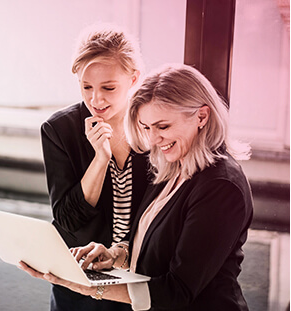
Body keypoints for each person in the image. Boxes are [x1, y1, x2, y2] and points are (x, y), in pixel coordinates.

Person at [21, 64, 253, 310]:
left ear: (202, 117)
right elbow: (158, 248)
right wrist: (115, 255)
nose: (153, 140)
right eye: (145, 127)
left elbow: (177, 290)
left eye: (163, 127)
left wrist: (88, 287)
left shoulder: (221, 187)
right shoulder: (172, 166)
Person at [39, 24, 151, 310]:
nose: (95, 100)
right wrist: (100, 158)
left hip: (141, 279)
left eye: (108, 88)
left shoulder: (153, 127)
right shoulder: (58, 130)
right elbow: (67, 219)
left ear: (134, 79)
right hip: (80, 284)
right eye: (86, 86)